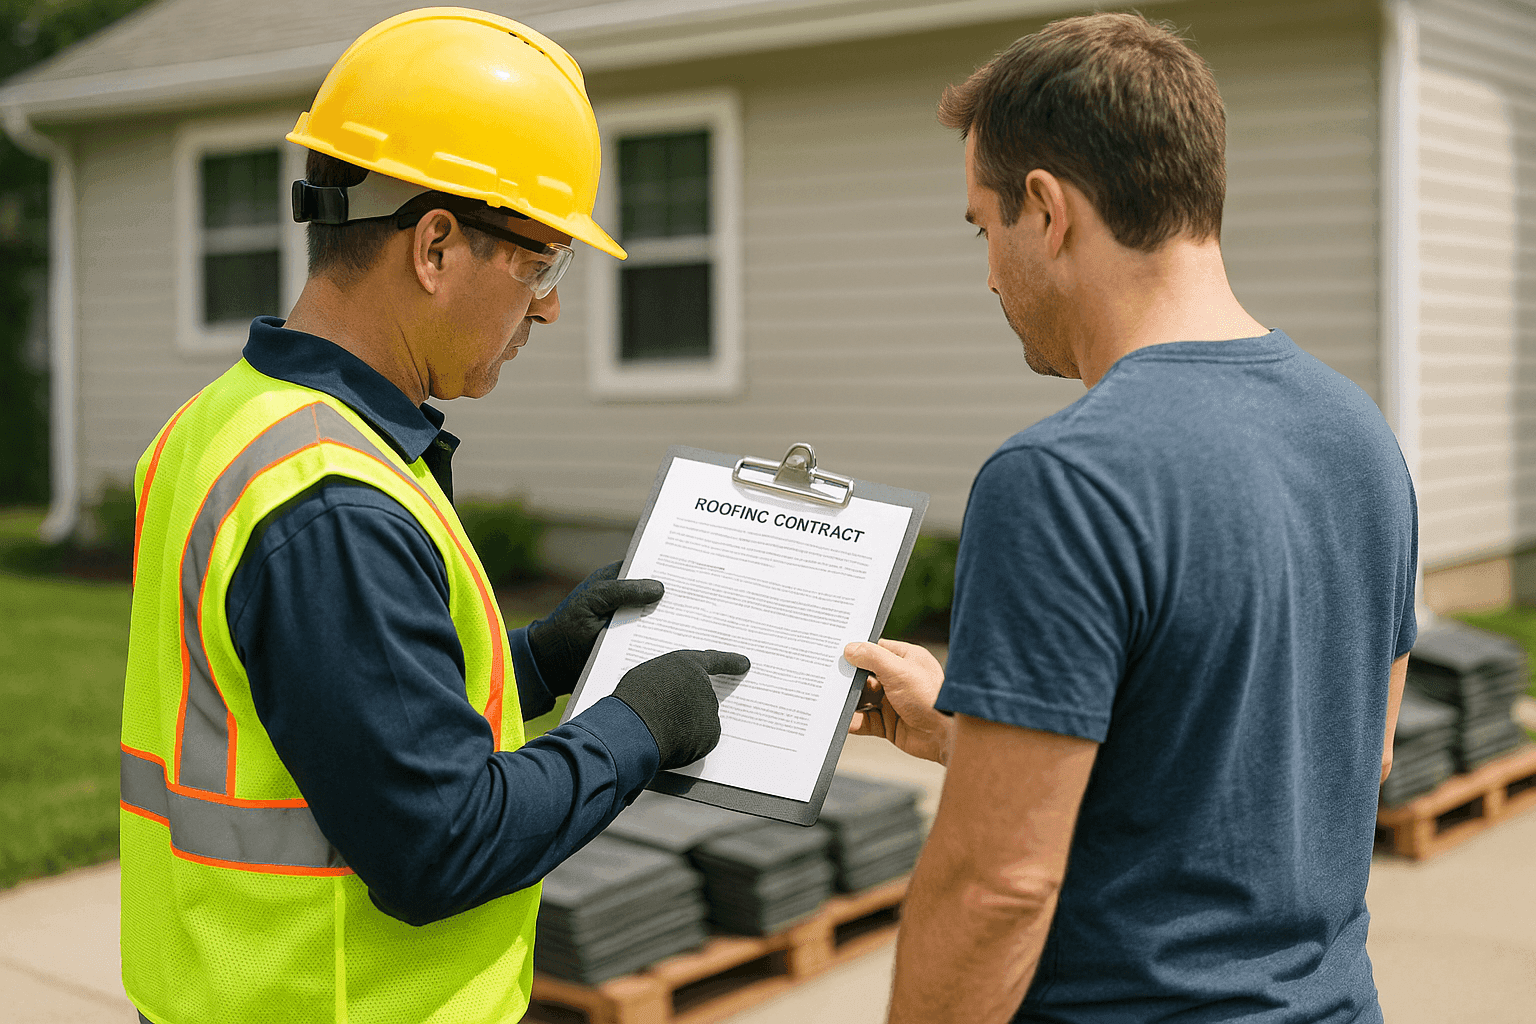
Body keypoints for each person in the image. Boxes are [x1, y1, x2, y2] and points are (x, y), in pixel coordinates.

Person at [118, 11, 743, 1024]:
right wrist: (638, 725)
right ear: (438, 246)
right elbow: (437, 843)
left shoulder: (227, 422)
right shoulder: (332, 502)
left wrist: (539, 660)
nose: (546, 307)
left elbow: (324, 714)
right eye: (539, 262)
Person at [843, 13, 1417, 1024]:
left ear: (1047, 210)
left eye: (984, 226)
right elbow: (1339, 757)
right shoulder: (1358, 433)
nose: (987, 273)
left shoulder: (1060, 479)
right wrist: (969, 738)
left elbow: (997, 889)